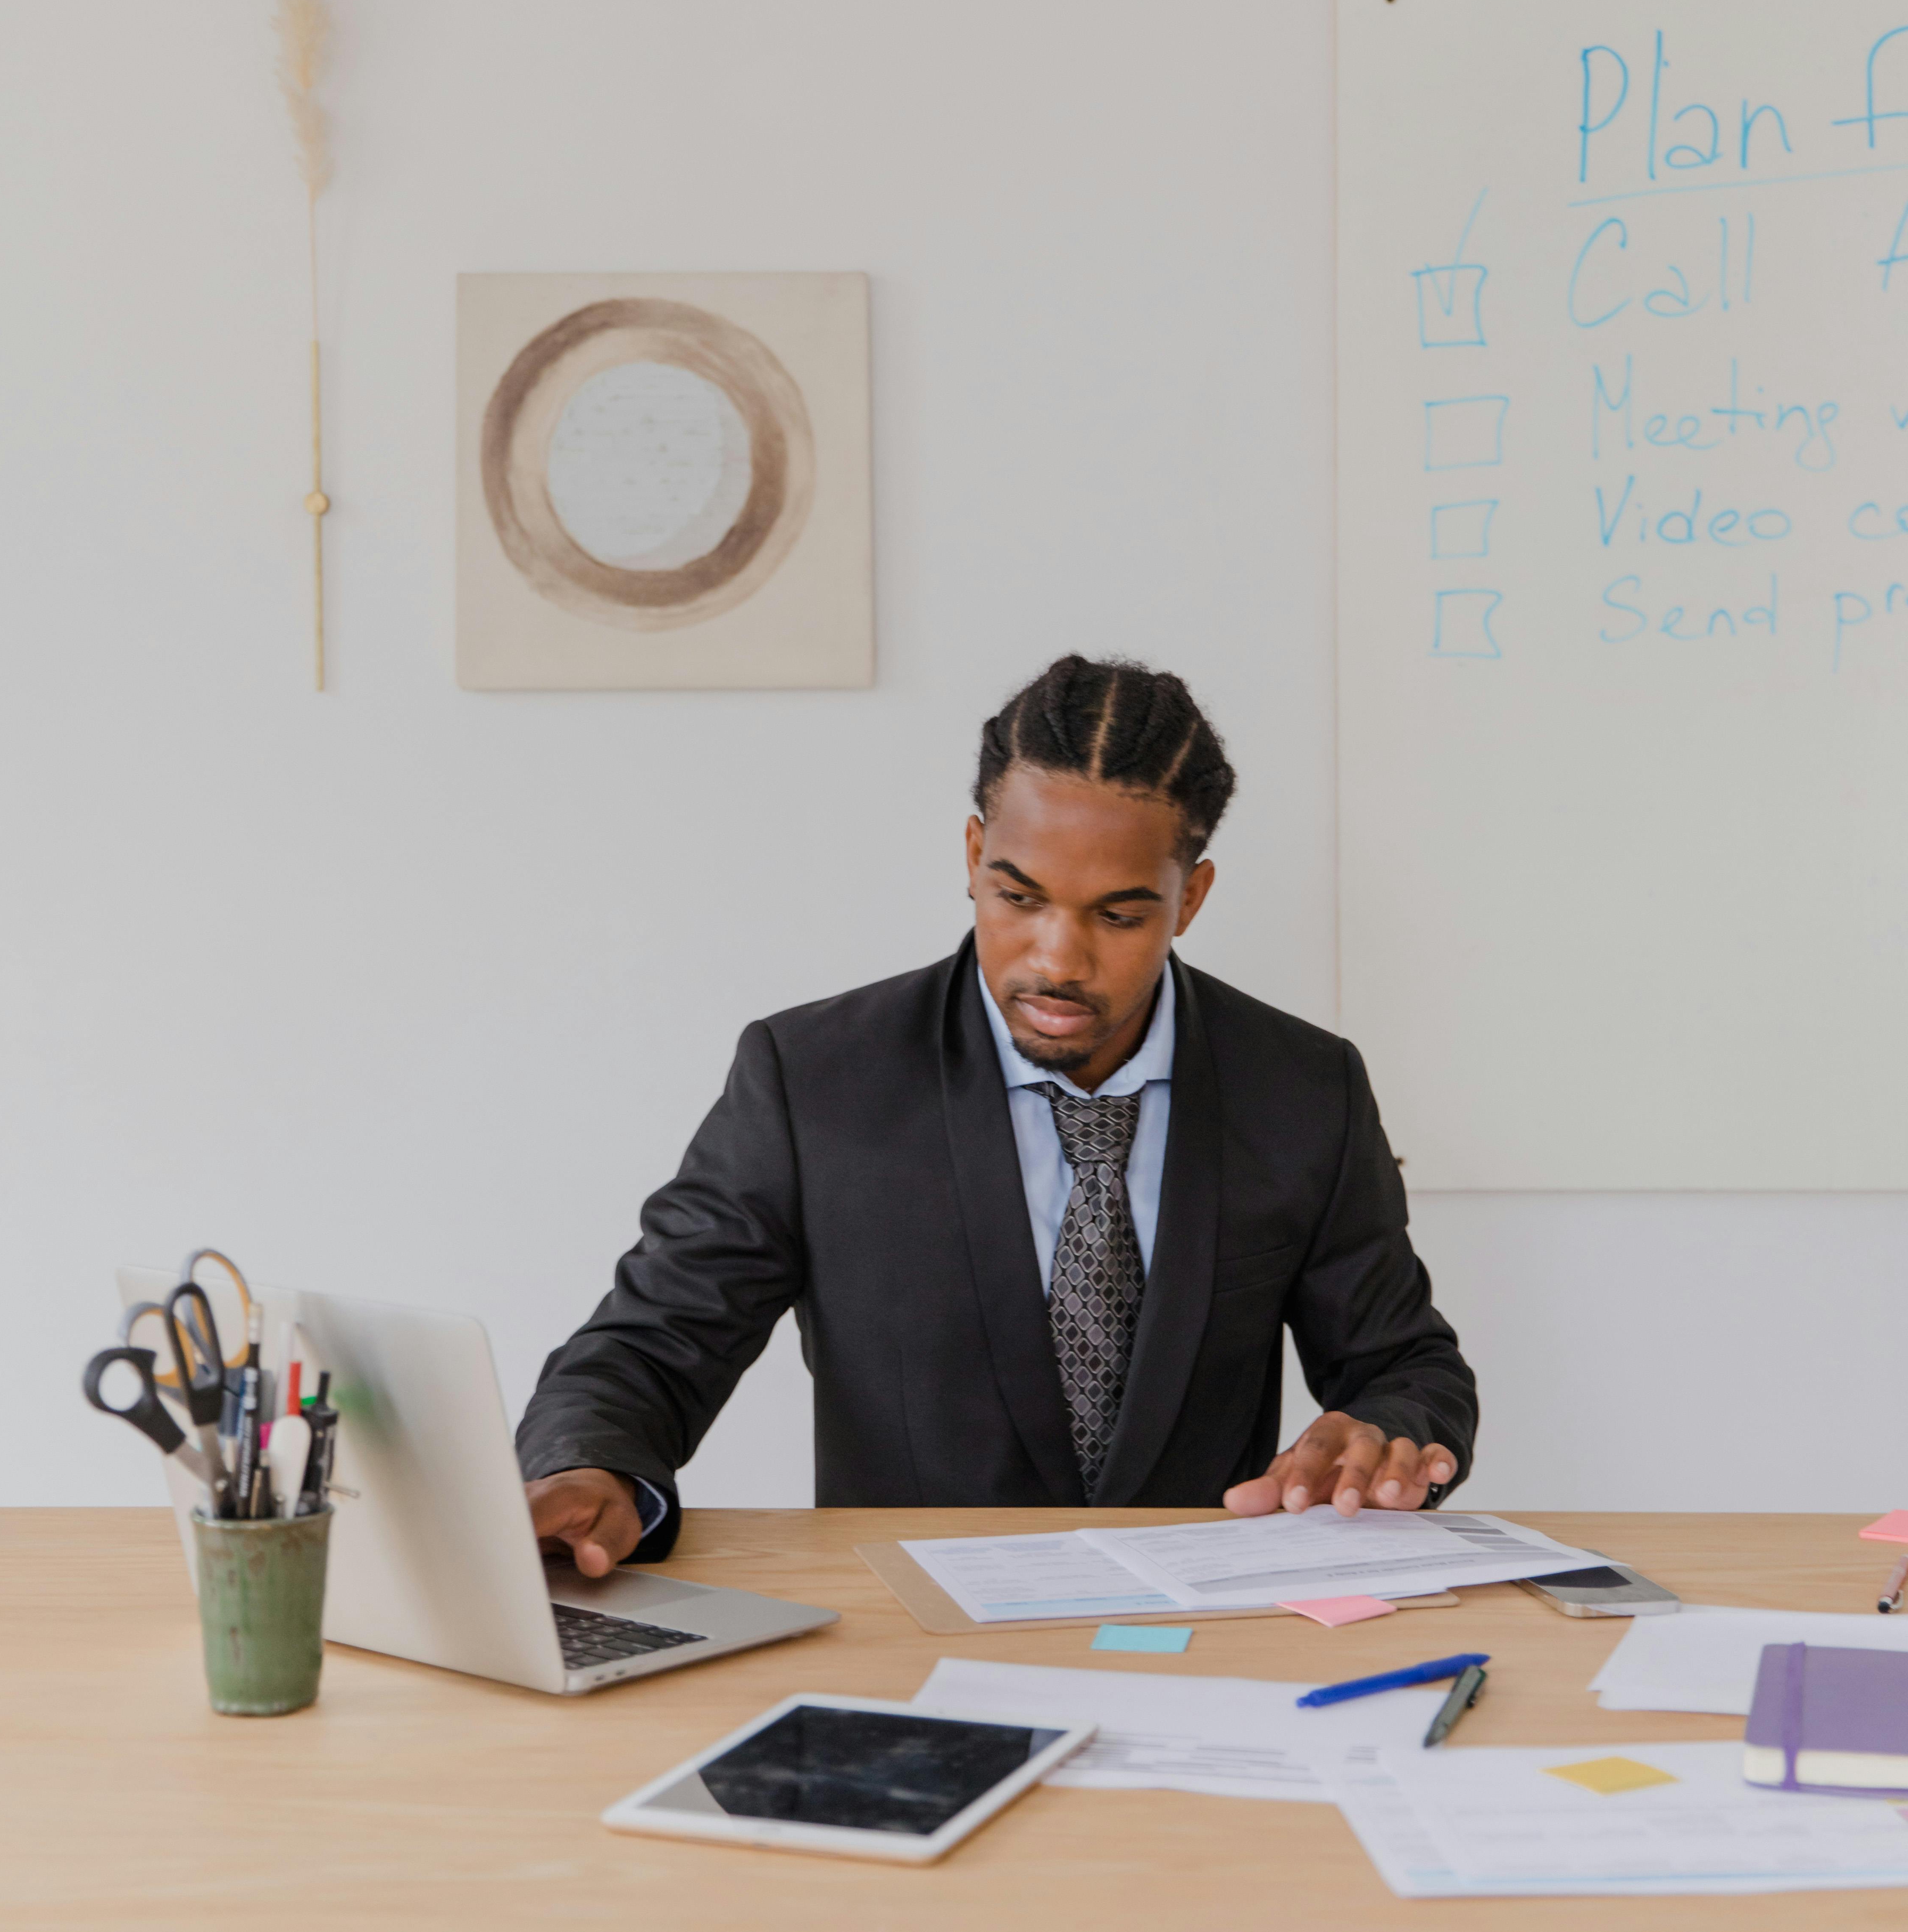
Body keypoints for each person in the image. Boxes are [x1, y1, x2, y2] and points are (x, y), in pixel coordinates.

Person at [519, 654, 1477, 1575]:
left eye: (1117, 916)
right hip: (902, 1637)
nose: (1056, 959)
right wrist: (586, 1464)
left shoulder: (1304, 1088)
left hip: (1199, 1639)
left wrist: (1382, 1436)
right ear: (975, 854)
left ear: (1190, 900)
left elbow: (1404, 1366)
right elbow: (655, 1342)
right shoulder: (813, 1079)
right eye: (1017, 897)